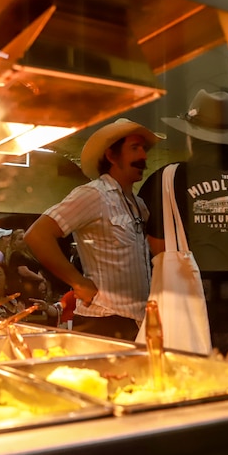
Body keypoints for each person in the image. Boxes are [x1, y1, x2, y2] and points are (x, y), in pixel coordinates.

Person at [139, 90, 228, 357]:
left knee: (197, 396)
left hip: (190, 318)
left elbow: (160, 249)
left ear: (191, 135)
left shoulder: (168, 178)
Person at [25, 118, 161, 341]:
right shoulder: (93, 195)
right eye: (135, 148)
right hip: (102, 321)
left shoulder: (139, 204)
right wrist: (77, 282)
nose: (144, 157)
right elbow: (37, 235)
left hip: (137, 322)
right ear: (111, 155)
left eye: (144, 149)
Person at [7, 228, 46, 301]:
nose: (24, 241)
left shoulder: (28, 254)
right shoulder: (16, 254)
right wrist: (41, 279)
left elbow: (37, 270)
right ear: (14, 242)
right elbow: (24, 272)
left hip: (33, 290)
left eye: (25, 238)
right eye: (20, 239)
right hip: (25, 291)